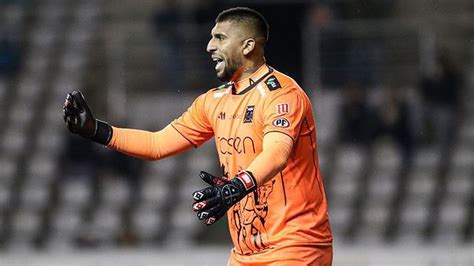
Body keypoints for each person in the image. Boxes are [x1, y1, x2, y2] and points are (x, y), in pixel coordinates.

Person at [63, 7, 333, 265]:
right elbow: (158, 144)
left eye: (220, 38)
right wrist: (96, 131)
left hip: (296, 245)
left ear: (248, 46)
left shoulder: (282, 94)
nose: (209, 47)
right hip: (246, 252)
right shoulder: (213, 101)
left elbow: (277, 154)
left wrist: (236, 187)